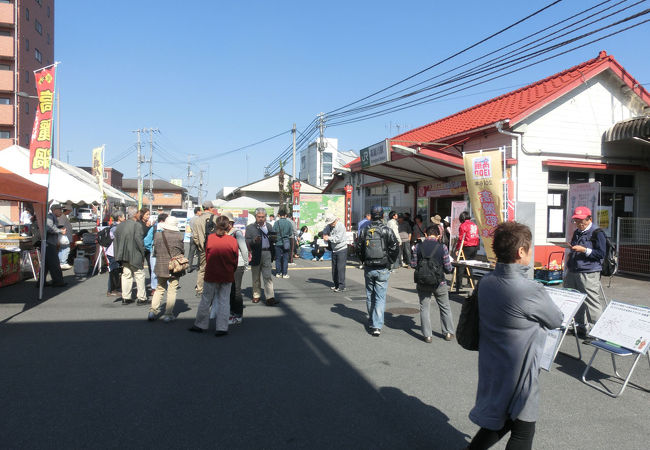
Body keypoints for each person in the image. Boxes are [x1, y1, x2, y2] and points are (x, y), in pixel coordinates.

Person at [467, 221, 563, 450]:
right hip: (520, 371)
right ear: (521, 252)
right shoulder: (529, 289)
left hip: (492, 364)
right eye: (530, 249)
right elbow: (556, 319)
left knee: (502, 420)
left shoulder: (486, 282)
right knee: (523, 429)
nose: (530, 253)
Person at [189, 215, 239, 336]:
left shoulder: (211, 238)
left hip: (211, 273)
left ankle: (200, 324)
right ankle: (222, 327)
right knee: (224, 301)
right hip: (226, 273)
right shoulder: (232, 241)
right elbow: (235, 259)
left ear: (216, 225)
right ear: (228, 226)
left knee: (206, 299)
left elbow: (207, 256)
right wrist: (231, 269)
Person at [355, 206, 400, 337]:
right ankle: (377, 325)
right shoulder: (387, 230)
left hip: (369, 267)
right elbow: (395, 247)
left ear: (371, 215)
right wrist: (389, 261)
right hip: (383, 267)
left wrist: (364, 260)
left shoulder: (365, 230)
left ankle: (371, 321)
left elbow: (358, 248)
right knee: (380, 296)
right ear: (382, 216)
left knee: (370, 295)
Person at [563, 206, 607, 339]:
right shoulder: (577, 232)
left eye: (581, 221)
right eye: (576, 220)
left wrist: (584, 250)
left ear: (589, 219)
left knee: (591, 301)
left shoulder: (597, 233)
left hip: (589, 271)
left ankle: (597, 332)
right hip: (574, 269)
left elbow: (601, 254)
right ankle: (580, 326)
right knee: (574, 299)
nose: (579, 223)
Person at [411, 225, 454, 342]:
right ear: (438, 235)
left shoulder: (418, 247)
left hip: (423, 282)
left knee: (424, 308)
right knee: (445, 306)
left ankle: (427, 335)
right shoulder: (443, 247)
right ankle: (448, 332)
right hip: (439, 282)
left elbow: (413, 264)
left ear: (425, 235)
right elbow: (448, 268)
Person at [148, 216, 184, 323]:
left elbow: (155, 252)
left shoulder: (158, 235)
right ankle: (168, 314)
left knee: (159, 288)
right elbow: (182, 250)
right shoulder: (179, 236)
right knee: (172, 289)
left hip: (161, 264)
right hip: (174, 266)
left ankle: (152, 311)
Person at [114, 205, 147, 305]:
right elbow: (139, 241)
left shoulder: (120, 225)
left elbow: (116, 241)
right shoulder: (137, 225)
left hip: (123, 254)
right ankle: (141, 298)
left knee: (126, 275)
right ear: (136, 214)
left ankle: (126, 297)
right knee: (139, 275)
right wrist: (143, 253)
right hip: (135, 254)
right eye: (139, 213)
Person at [245, 207, 277, 306]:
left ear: (266, 217)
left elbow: (274, 239)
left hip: (267, 253)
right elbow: (247, 241)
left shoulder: (269, 226)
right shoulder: (250, 227)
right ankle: (256, 295)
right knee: (255, 276)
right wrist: (254, 241)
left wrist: (274, 238)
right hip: (255, 253)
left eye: (263, 217)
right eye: (259, 217)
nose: (261, 218)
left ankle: (270, 297)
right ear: (256, 217)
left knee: (268, 276)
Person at [223, 211, 248, 325]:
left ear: (231, 223)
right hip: (228, 264)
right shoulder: (223, 233)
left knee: (236, 289)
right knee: (230, 289)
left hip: (238, 264)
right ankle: (232, 311)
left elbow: (244, 249)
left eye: (226, 221)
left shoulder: (237, 233)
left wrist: (246, 263)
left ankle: (238, 314)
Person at [191, 200, 214, 297]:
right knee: (214, 268)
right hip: (214, 248)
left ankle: (200, 289)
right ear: (210, 208)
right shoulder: (216, 218)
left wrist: (200, 245)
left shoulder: (197, 220)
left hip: (202, 248)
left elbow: (195, 236)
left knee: (202, 269)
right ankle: (212, 289)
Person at [43, 204, 67, 287]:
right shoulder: (50, 216)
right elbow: (49, 227)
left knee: (46, 264)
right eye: (60, 209)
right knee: (55, 263)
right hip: (49, 243)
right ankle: (58, 281)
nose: (61, 211)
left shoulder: (52, 217)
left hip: (48, 243)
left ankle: (41, 282)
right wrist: (60, 231)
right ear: (54, 210)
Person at [323, 214, 348, 292]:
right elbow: (325, 230)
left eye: (331, 222)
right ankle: (336, 284)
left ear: (335, 221)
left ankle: (341, 286)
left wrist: (328, 238)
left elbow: (338, 238)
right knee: (334, 269)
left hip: (342, 249)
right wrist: (325, 234)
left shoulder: (340, 226)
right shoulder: (329, 226)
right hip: (334, 249)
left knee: (340, 268)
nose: (330, 224)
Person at [144, 214, 167, 296]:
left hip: (154, 251)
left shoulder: (154, 228)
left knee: (154, 269)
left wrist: (150, 248)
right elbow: (146, 241)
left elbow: (146, 242)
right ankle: (164, 285)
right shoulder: (168, 228)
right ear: (162, 221)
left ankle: (154, 288)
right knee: (165, 268)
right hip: (165, 251)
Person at [455, 211, 480, 288]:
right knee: (470, 265)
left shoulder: (463, 225)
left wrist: (458, 249)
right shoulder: (474, 225)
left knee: (461, 265)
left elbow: (461, 238)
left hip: (466, 246)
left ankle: (459, 284)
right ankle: (471, 282)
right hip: (475, 246)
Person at [105, 211, 125, 296]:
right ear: (119, 217)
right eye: (123, 216)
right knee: (114, 270)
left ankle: (115, 288)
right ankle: (112, 290)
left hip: (113, 251)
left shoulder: (114, 226)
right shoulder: (116, 227)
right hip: (113, 252)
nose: (125, 218)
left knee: (116, 270)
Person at [272, 208, 293, 278]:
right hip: (286, 242)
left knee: (278, 258)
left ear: (279, 215)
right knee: (285, 258)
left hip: (278, 243)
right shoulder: (289, 223)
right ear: (286, 215)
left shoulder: (276, 223)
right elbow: (290, 233)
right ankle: (284, 274)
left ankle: (278, 273)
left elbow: (273, 233)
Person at [137, 208, 152, 282]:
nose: (148, 216)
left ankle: (153, 283)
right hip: (140, 247)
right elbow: (143, 233)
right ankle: (140, 281)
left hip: (148, 248)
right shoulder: (139, 223)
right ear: (142, 215)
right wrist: (148, 227)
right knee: (140, 265)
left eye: (149, 214)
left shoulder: (148, 223)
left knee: (151, 264)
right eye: (147, 214)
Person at [57, 204, 74, 270]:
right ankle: (63, 262)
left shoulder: (62, 216)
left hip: (64, 235)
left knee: (62, 249)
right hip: (64, 236)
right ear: (68, 210)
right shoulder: (62, 216)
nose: (70, 212)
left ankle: (60, 262)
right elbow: (60, 225)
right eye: (70, 211)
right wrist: (63, 231)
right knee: (66, 248)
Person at [187, 207, 202, 273]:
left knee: (191, 252)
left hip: (192, 236)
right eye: (200, 211)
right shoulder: (199, 219)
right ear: (198, 212)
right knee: (199, 252)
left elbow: (190, 227)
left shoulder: (191, 219)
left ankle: (189, 267)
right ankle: (198, 266)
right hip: (198, 237)